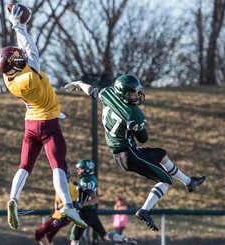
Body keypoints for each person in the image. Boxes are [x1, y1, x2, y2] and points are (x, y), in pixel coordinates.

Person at [64, 74, 206, 231]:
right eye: (133, 94)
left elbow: (93, 90)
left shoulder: (108, 93)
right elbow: (143, 138)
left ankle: (188, 182)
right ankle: (145, 210)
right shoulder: (133, 114)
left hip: (123, 152)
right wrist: (138, 125)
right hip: (128, 155)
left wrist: (78, 83)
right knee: (165, 180)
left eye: (137, 92)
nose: (137, 96)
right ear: (123, 95)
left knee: (160, 153)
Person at [0, 4, 86, 230]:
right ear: (17, 63)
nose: (21, 56)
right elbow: (30, 48)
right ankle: (67, 204)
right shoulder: (30, 76)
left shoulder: (9, 79)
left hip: (30, 124)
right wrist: (19, 27)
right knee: (58, 165)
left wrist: (17, 31)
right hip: (48, 124)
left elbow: (19, 55)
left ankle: (13, 198)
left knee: (25, 165)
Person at [62, 159, 138, 245]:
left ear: (87, 170)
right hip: (92, 213)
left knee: (75, 237)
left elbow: (95, 199)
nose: (78, 170)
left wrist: (82, 204)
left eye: (81, 168)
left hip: (85, 213)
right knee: (104, 235)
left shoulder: (86, 181)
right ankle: (124, 239)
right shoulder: (89, 179)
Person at [34, 172, 78, 245]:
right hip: (59, 215)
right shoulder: (63, 184)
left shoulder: (68, 187)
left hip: (61, 216)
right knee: (49, 236)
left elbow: (71, 206)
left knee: (39, 233)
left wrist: (60, 218)